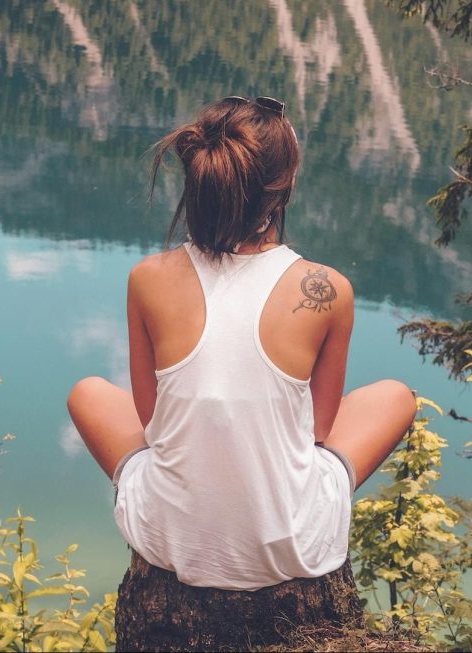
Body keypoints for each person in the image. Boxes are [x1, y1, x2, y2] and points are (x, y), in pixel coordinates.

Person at [67, 95, 416, 591]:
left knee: (88, 392)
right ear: (283, 189)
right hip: (292, 542)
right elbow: (317, 431)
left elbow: (150, 420)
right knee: (395, 397)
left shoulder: (148, 277)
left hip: (170, 539)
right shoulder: (327, 289)